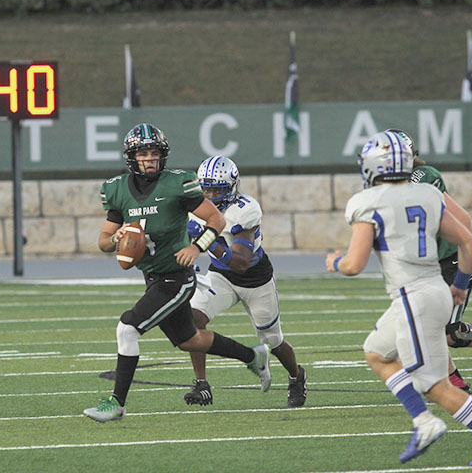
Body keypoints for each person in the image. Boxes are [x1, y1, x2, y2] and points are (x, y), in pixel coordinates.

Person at [325, 131, 472, 467]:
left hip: (414, 297)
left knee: (434, 386)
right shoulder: (428, 193)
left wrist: (335, 262)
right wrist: (460, 284)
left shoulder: (366, 202)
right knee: (376, 351)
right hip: (433, 290)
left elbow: (354, 265)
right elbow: (468, 241)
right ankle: (423, 421)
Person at [83, 123, 271, 423]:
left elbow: (217, 220)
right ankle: (253, 356)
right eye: (143, 153)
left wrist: (197, 248)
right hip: (153, 277)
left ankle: (116, 403)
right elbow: (103, 241)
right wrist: (115, 239)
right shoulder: (116, 189)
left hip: (178, 277)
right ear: (132, 157)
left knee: (127, 328)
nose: (150, 158)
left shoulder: (178, 183)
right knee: (189, 340)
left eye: (154, 152)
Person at [386, 129, 472, 391]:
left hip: (452, 262)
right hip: (426, 265)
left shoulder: (422, 177)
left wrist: (464, 273)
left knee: (449, 333)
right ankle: (458, 385)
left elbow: (463, 221)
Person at [184, 155, 307, 408]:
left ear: (230, 188)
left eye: (215, 190)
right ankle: (202, 385)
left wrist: (209, 240)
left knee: (273, 341)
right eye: (204, 189)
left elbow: (240, 261)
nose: (208, 196)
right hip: (221, 277)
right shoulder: (195, 209)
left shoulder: (245, 209)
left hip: (255, 279)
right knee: (193, 320)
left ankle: (297, 376)